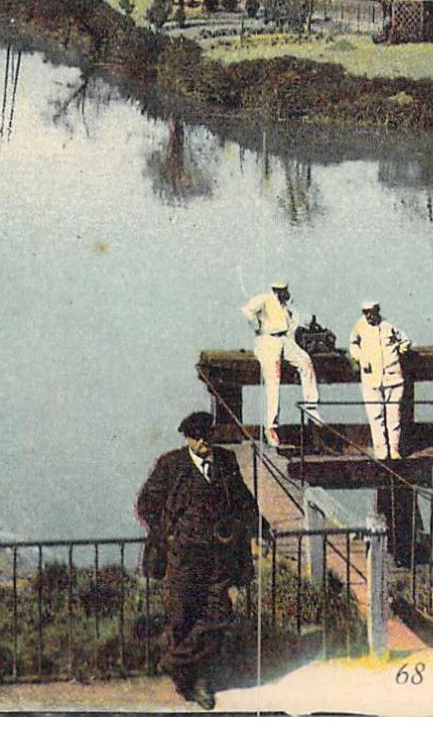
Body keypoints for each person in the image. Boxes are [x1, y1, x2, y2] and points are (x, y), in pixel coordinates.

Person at [136, 412, 258, 711]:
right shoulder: (171, 465)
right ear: (187, 438)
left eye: (207, 435)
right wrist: (167, 533)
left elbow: (243, 499)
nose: (204, 441)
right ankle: (187, 680)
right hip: (182, 558)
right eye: (197, 436)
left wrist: (259, 527)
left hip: (218, 557)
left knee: (218, 615)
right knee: (182, 617)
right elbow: (146, 504)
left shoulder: (226, 461)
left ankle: (183, 669)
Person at [241, 281, 318, 448]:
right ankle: (271, 426)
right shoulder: (265, 299)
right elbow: (247, 310)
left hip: (285, 340)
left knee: (306, 363)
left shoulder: (286, 304)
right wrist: (257, 325)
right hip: (267, 340)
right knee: (273, 378)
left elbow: (300, 319)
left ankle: (311, 406)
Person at [348, 300, 412, 460]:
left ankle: (395, 451)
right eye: (365, 312)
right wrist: (360, 358)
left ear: (378, 310)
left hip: (393, 378)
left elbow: (405, 341)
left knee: (394, 417)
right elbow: (353, 345)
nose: (368, 315)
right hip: (371, 380)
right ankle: (381, 452)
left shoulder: (388, 326)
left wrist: (399, 352)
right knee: (375, 416)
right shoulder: (359, 327)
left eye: (371, 311)